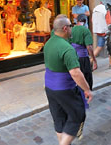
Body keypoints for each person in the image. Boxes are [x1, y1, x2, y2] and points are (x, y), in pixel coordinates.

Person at [44, 16, 93, 145]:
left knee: (58, 118)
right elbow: (75, 73)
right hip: (64, 88)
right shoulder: (68, 49)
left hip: (49, 87)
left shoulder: (48, 43)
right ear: (65, 28)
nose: (72, 28)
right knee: (77, 115)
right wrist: (87, 89)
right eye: (70, 26)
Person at [70, 14, 97, 90]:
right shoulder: (85, 30)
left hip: (73, 57)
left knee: (75, 77)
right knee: (86, 77)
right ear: (85, 21)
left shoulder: (71, 29)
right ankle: (86, 94)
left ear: (77, 20)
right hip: (83, 58)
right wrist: (94, 59)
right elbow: (89, 47)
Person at [92, 3, 111, 69]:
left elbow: (92, 20)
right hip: (105, 31)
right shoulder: (106, 9)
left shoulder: (96, 8)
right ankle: (90, 61)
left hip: (99, 31)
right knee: (110, 47)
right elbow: (109, 21)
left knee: (99, 47)